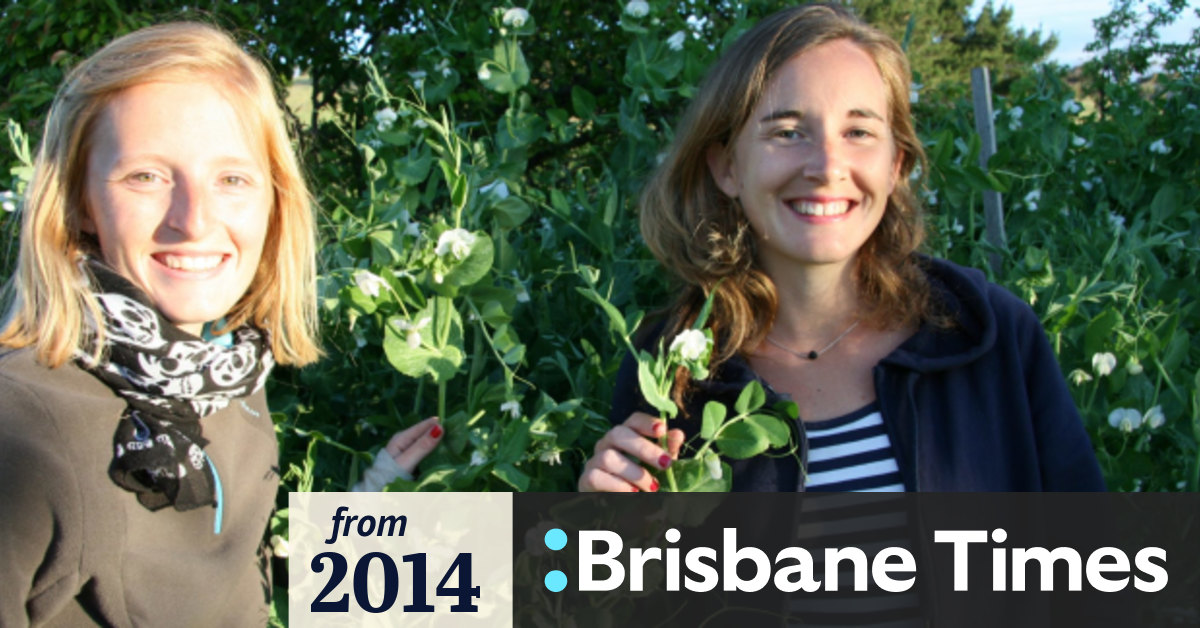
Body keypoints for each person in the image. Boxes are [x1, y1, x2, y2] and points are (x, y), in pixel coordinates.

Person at [0, 22, 441, 626]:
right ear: (79, 202)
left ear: (272, 201)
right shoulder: (22, 429)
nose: (194, 219)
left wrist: (375, 492)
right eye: (146, 177)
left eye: (231, 179)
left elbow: (237, 589)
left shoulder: (223, 376)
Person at [579, 3, 1104, 493]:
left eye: (858, 131)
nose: (828, 166)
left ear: (895, 164)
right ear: (727, 167)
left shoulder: (989, 334)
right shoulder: (670, 369)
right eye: (787, 132)